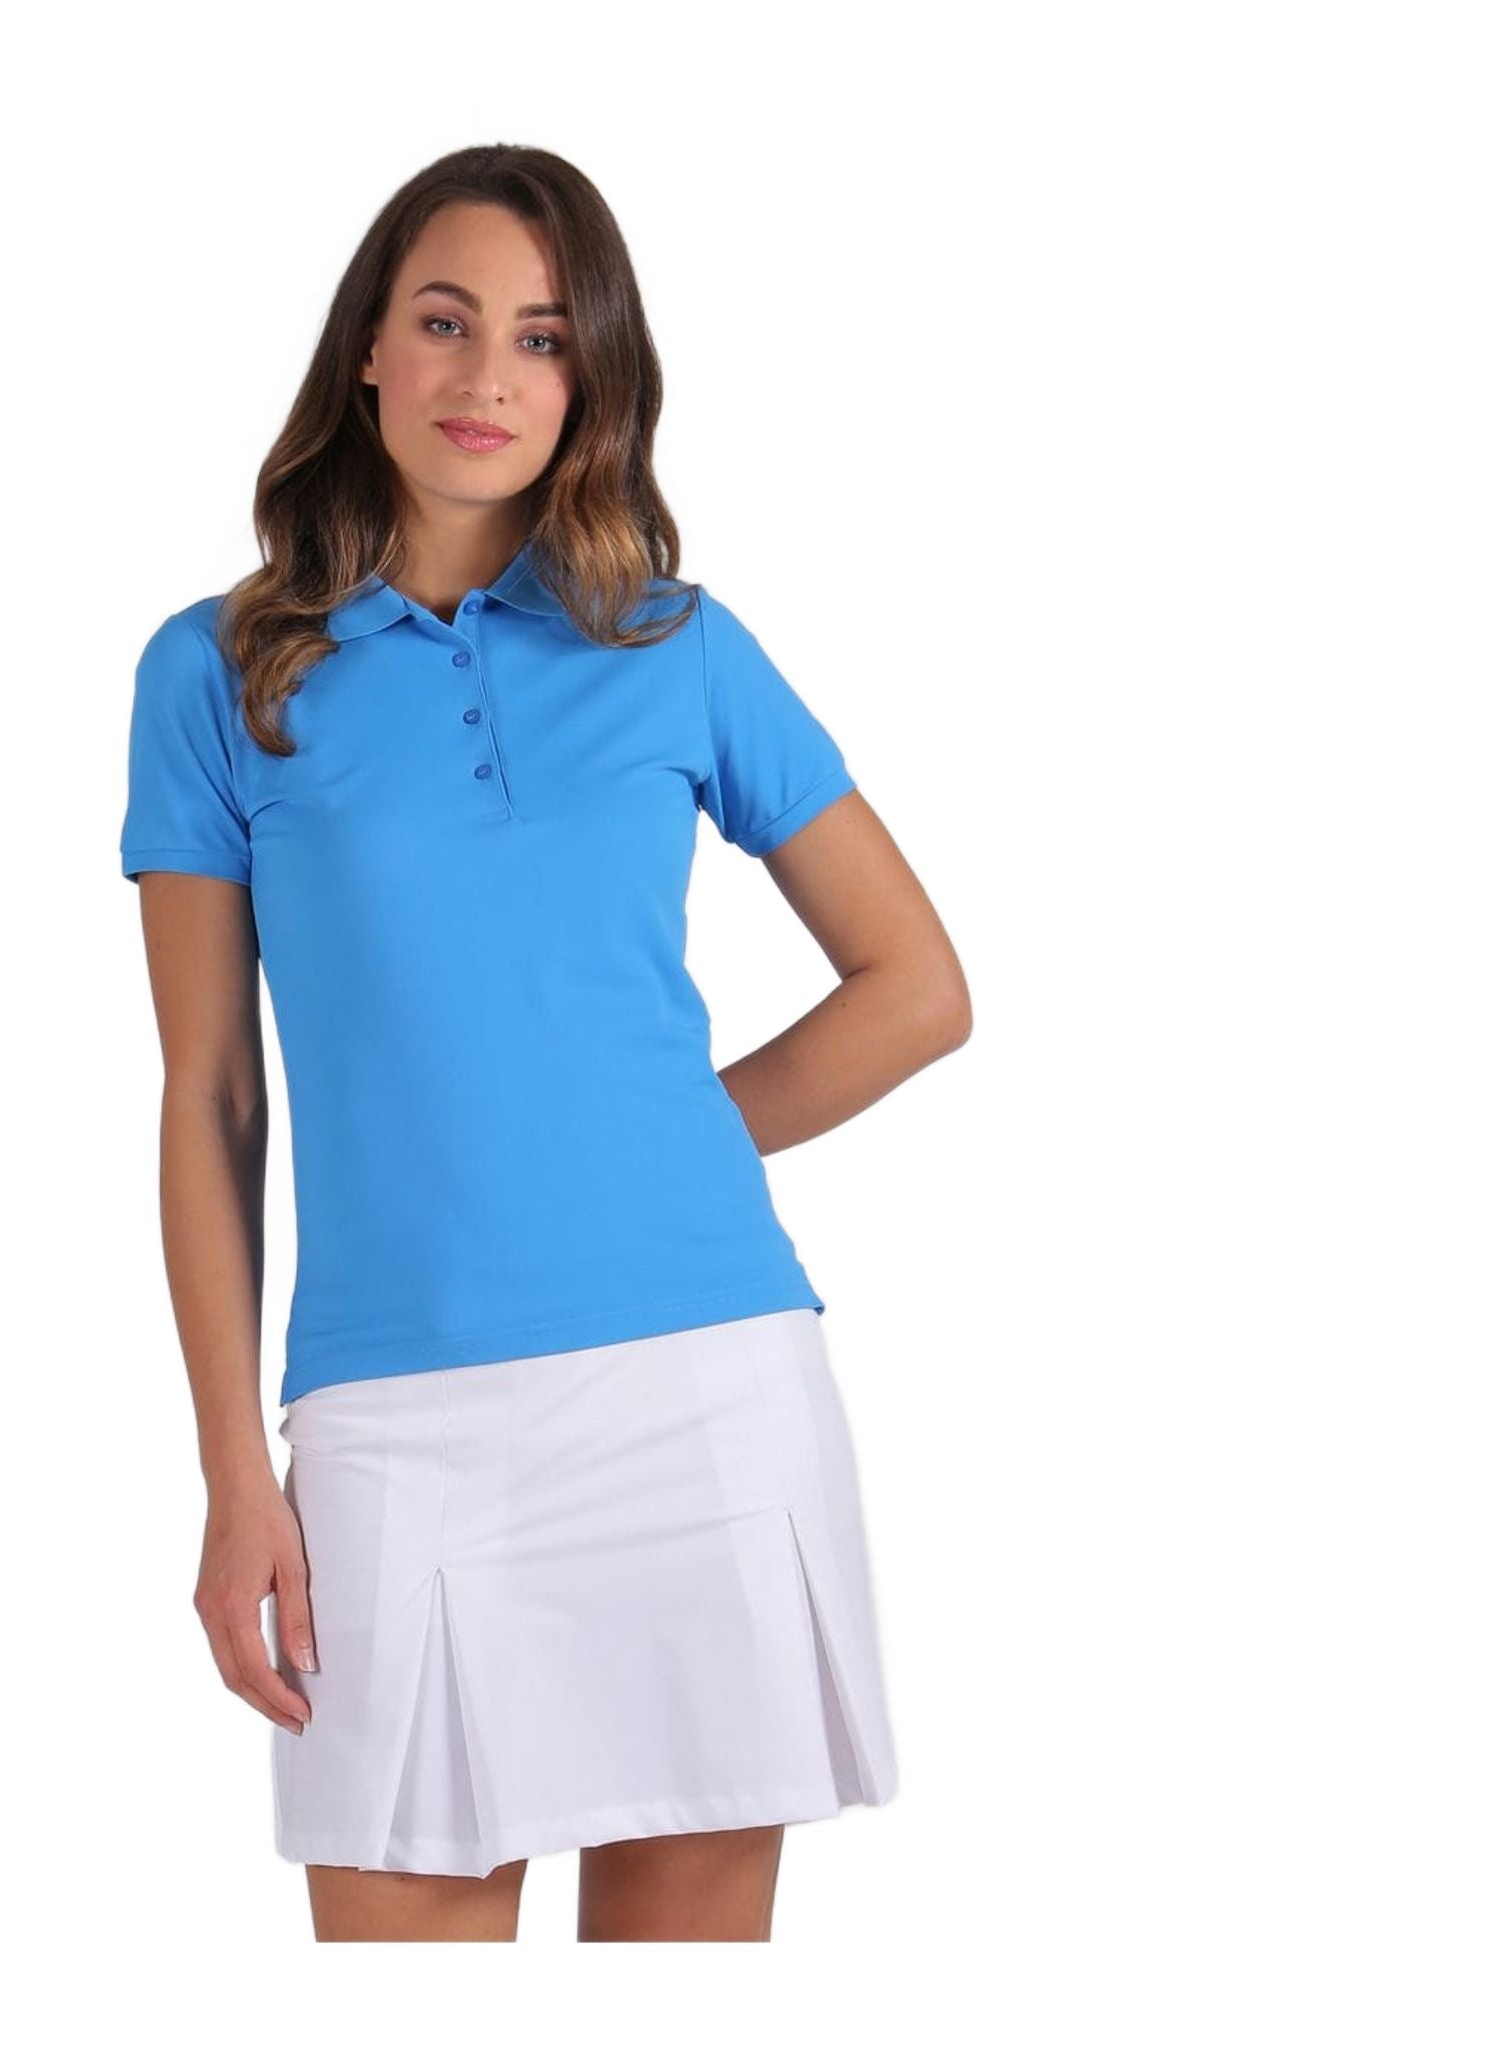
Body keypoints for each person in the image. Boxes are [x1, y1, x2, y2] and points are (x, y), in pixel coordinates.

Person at [119, 144, 972, 1943]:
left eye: (543, 337)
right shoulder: (217, 670)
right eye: (445, 322)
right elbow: (209, 1098)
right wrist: (228, 1474)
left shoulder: (676, 645)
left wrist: (664, 1133)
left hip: (702, 1393)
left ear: (593, 381)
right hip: (391, 1423)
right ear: (368, 346)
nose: (488, 377)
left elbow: (915, 986)